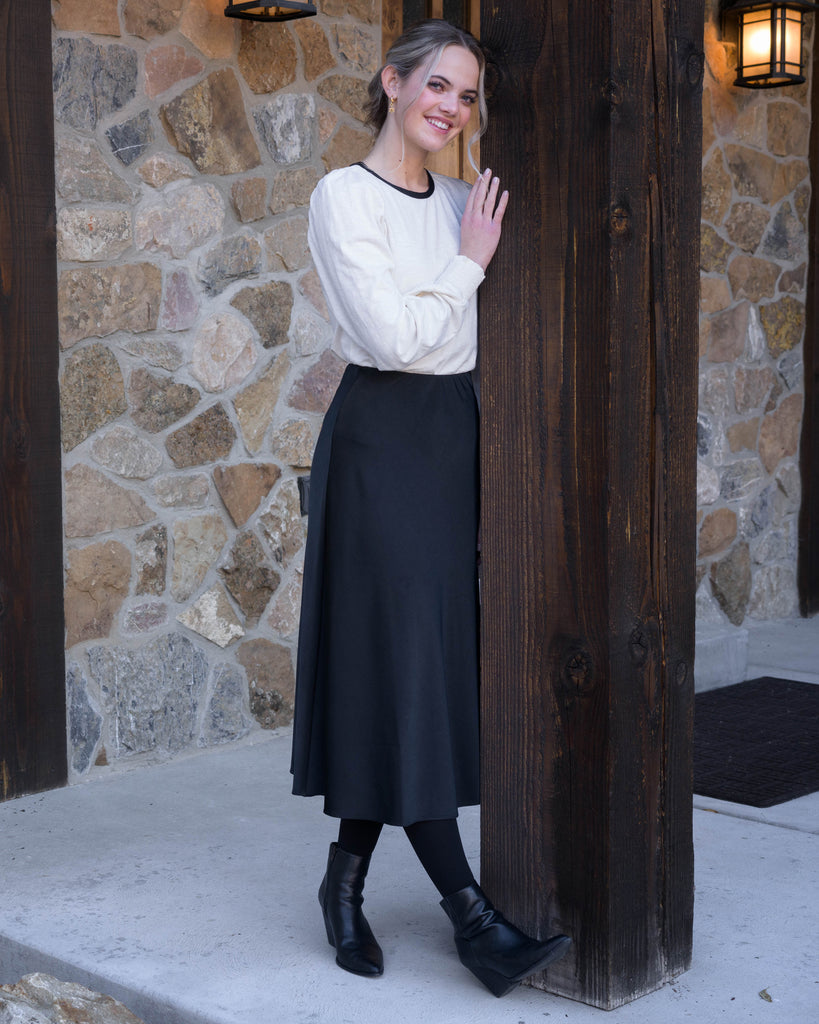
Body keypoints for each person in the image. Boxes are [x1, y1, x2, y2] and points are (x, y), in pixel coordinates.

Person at [291, 18, 570, 998]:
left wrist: (473, 250)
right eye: (439, 87)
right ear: (393, 82)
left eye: (466, 96)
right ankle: (476, 922)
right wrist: (470, 261)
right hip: (383, 444)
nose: (452, 108)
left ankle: (346, 878)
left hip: (457, 440)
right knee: (404, 664)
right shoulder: (343, 197)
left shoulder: (462, 198)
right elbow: (397, 335)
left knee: (414, 667)